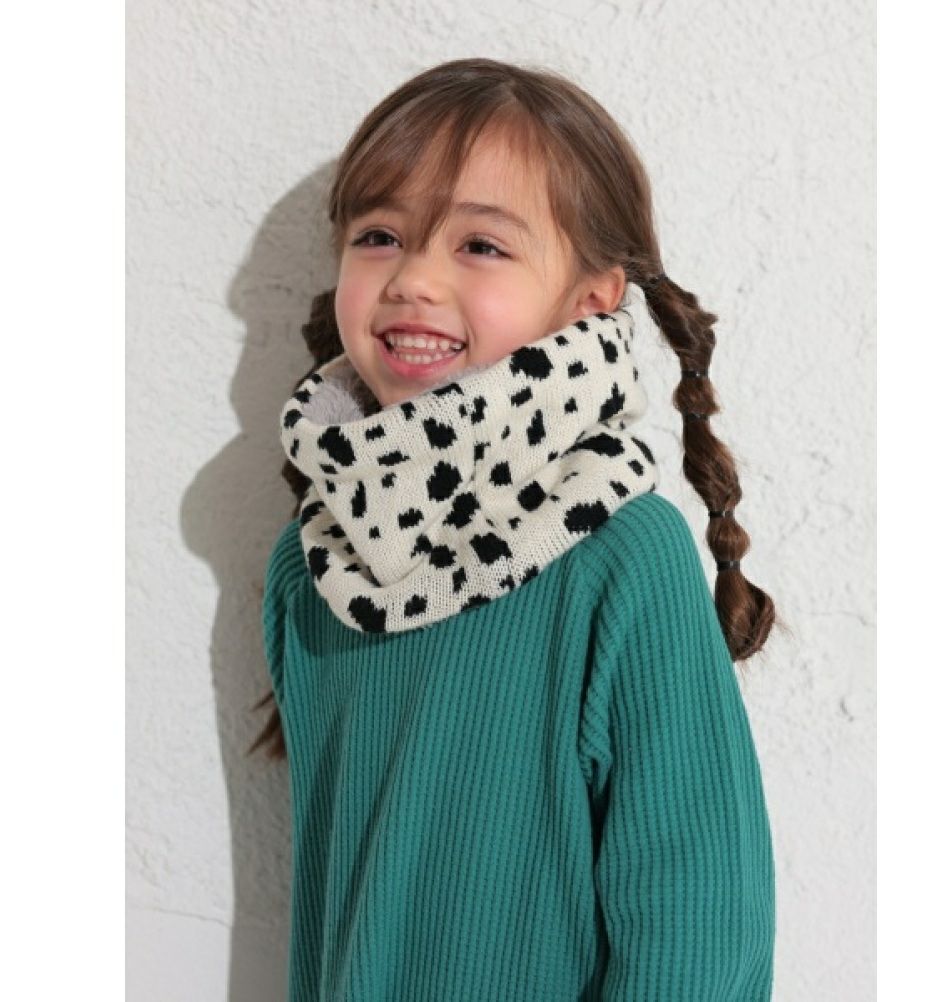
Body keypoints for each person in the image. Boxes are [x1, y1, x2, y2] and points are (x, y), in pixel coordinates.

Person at [249, 57, 778, 1001]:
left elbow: (700, 920)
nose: (413, 278)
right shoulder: (315, 566)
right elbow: (332, 910)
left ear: (590, 299)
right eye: (380, 236)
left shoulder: (620, 555)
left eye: (481, 245)